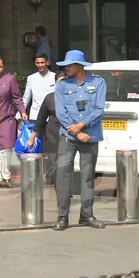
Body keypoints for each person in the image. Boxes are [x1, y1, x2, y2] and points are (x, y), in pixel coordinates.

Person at [53, 50, 107, 231]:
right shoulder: (61, 86)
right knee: (63, 176)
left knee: (87, 177)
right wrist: (76, 132)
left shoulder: (98, 83)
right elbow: (61, 113)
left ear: (80, 66)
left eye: (69, 65)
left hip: (90, 136)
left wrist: (82, 125)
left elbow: (99, 109)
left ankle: (87, 215)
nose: (66, 68)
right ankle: (62, 217)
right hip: (69, 137)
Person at [0, 57, 28, 189]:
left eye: (0, 66)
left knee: (6, 149)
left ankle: (6, 177)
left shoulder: (9, 79)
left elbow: (16, 97)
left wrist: (22, 111)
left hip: (7, 118)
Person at [28, 70, 66, 187]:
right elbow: (40, 119)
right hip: (52, 133)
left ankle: (62, 185)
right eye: (60, 82)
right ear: (55, 83)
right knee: (53, 162)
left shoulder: (71, 98)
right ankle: (52, 182)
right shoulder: (49, 98)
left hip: (67, 133)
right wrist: (32, 137)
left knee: (63, 163)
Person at [23, 52, 57, 122]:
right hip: (35, 116)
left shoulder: (54, 77)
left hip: (51, 117)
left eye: (42, 62)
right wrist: (21, 112)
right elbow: (26, 98)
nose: (40, 65)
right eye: (37, 63)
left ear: (47, 63)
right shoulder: (31, 78)